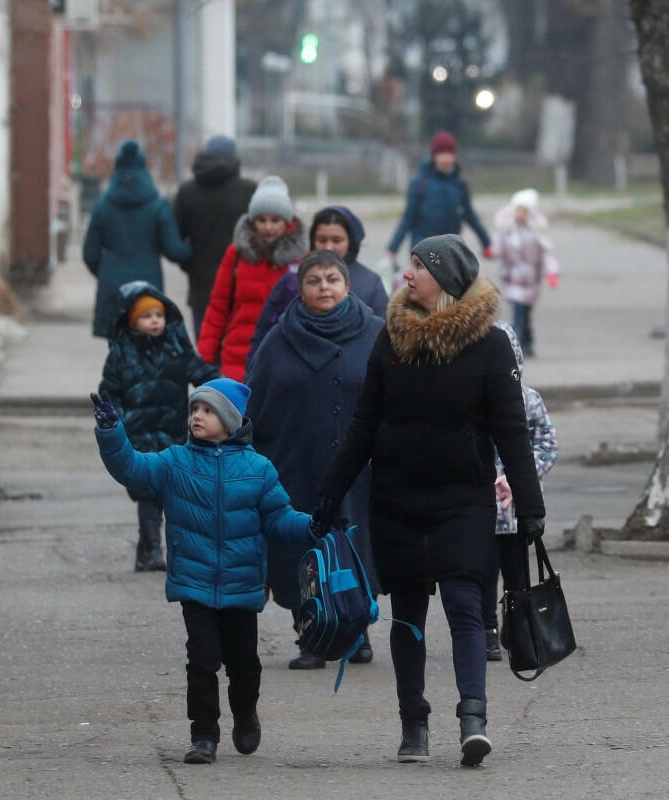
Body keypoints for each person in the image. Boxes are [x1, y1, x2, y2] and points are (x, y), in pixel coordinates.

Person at [314, 234, 545, 767]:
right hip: (396, 500)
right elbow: (364, 423)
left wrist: (530, 508)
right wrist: (330, 492)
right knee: (408, 616)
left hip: (463, 499)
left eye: (418, 266)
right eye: (409, 265)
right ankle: (413, 724)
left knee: (467, 607)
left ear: (447, 277)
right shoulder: (390, 339)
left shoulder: (489, 344)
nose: (406, 276)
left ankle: (473, 718)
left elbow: (512, 432)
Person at [91, 377, 317, 766]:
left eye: (208, 410)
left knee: (244, 663)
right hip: (194, 585)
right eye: (195, 409)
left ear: (230, 420)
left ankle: (245, 713)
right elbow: (132, 469)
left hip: (243, 584)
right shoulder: (174, 461)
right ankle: (203, 735)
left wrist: (314, 526)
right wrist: (112, 432)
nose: (198, 416)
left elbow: (279, 518)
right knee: (201, 659)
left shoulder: (258, 469)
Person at [244, 250, 385, 670]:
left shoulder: (377, 332)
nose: (324, 287)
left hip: (362, 468)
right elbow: (257, 399)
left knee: (359, 543)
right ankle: (311, 634)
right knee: (300, 549)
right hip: (295, 462)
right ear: (301, 289)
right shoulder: (279, 338)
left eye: (332, 279)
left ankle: (357, 631)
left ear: (346, 286)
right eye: (314, 281)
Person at [98, 281, 220, 572]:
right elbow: (110, 391)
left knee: (176, 493)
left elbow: (204, 375)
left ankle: (168, 549)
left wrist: (223, 393)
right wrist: (117, 418)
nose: (154, 321)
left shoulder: (177, 351)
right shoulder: (121, 356)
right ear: (131, 321)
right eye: (146, 316)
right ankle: (151, 547)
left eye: (159, 315)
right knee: (149, 491)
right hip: (138, 436)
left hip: (173, 434)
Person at [482, 321, 558, 661]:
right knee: (481, 571)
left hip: (515, 508)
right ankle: (486, 628)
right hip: (479, 504)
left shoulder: (529, 399)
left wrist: (519, 479)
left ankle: (519, 622)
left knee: (517, 571)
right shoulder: (468, 400)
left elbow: (546, 444)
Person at [246, 205, 388, 371]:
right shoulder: (292, 278)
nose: (328, 247)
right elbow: (263, 334)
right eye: (322, 240)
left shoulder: (370, 283)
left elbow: (383, 343)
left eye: (336, 240)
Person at [196, 175, 306, 381]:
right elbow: (217, 308)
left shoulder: (302, 259)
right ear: (252, 221)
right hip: (237, 360)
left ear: (287, 222)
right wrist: (204, 359)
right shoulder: (236, 254)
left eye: (275, 220)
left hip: (285, 359)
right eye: (261, 220)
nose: (268, 227)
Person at [83, 140, 191, 338]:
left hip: (112, 284)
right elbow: (173, 250)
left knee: (118, 349)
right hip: (147, 284)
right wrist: (194, 249)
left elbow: (90, 253)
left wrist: (105, 272)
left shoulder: (103, 206)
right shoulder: (157, 205)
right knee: (148, 346)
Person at [172, 135, 258, 338]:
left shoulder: (187, 192)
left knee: (206, 353)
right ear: (235, 159)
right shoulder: (250, 191)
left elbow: (174, 240)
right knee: (239, 355)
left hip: (202, 288)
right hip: (243, 286)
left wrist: (190, 263)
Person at [386, 130, 493, 263]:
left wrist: (486, 243)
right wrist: (393, 248)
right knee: (428, 281)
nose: (445, 158)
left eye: (449, 154)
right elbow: (408, 217)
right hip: (423, 248)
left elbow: (470, 215)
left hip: (450, 249)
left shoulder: (460, 183)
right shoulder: (420, 182)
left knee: (449, 282)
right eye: (441, 154)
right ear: (434, 156)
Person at [491, 188, 558, 358]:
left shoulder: (536, 231)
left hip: (532, 281)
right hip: (513, 278)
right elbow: (497, 246)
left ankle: (528, 341)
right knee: (518, 314)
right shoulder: (506, 228)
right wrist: (491, 251)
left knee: (526, 314)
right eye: (518, 210)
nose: (520, 214)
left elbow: (546, 253)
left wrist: (552, 272)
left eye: (524, 211)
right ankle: (517, 345)